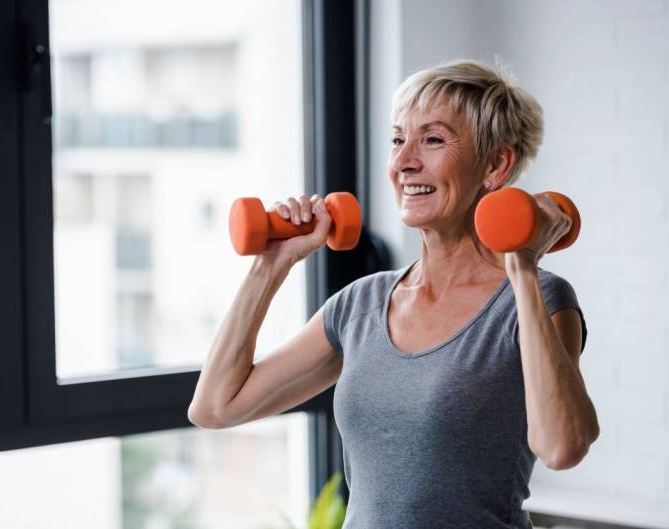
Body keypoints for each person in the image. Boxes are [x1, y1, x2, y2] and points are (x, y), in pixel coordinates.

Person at [188, 58, 598, 529]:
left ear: (495, 164)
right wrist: (270, 265)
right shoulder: (360, 305)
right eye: (398, 139)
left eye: (433, 139)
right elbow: (215, 407)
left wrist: (522, 265)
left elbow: (563, 447)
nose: (404, 162)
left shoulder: (539, 299)